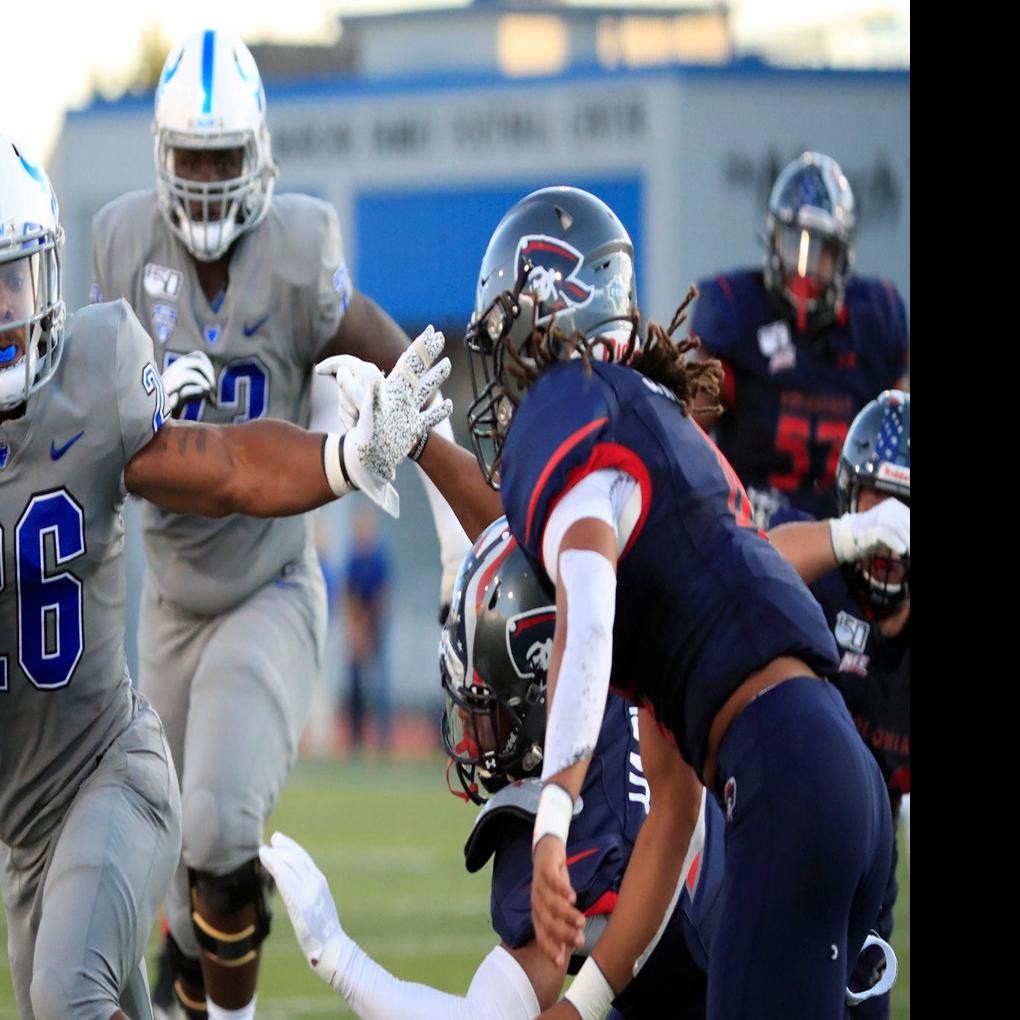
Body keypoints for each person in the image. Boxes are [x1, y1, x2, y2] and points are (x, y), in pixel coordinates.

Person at [0, 135, 449, 1020]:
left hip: (106, 767)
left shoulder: (91, 379)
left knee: (68, 993)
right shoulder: (130, 247)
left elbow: (231, 467)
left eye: (10, 281)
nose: (1, 311)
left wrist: (347, 455)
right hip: (26, 824)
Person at [447, 185, 891, 1019]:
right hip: (836, 775)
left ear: (551, 311)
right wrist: (585, 1001)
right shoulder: (668, 441)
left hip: (787, 776)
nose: (504, 373)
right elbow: (674, 811)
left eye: (506, 333)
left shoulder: (570, 407)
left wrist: (554, 809)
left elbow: (588, 594)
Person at [259, 516, 726, 1019]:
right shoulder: (616, 670)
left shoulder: (591, 843)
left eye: (489, 711)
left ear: (543, 700)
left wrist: (339, 959)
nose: (472, 737)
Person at [768, 390, 910, 1019]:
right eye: (877, 505)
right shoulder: (823, 574)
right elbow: (760, 556)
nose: (890, 531)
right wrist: (853, 536)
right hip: (778, 837)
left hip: (869, 875)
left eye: (904, 510)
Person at [690, 151, 909, 526]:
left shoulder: (876, 320)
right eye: (794, 244)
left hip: (846, 541)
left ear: (843, 257)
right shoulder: (736, 312)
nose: (804, 268)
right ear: (774, 241)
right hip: (752, 537)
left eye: (821, 253)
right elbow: (684, 433)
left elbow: (903, 442)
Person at [342, 507, 393, 752]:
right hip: (359, 625)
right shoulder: (352, 557)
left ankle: (384, 739)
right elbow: (349, 595)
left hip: (377, 626)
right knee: (354, 681)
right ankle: (356, 738)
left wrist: (369, 630)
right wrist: (356, 630)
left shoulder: (380, 556)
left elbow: (382, 597)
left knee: (381, 681)